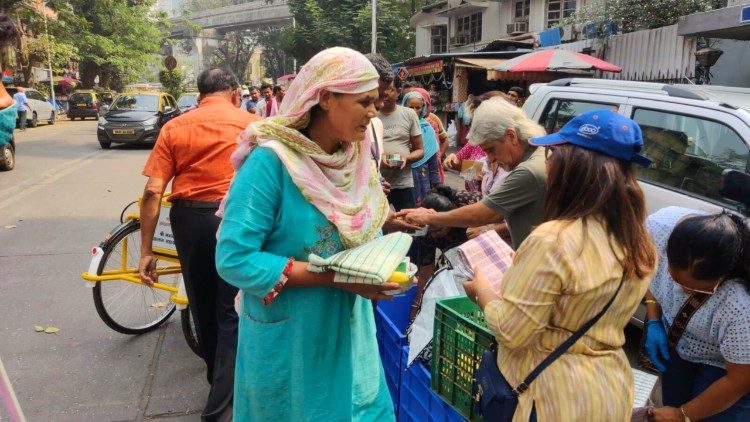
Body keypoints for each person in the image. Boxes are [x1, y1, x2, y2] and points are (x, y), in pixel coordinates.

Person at [215, 47, 400, 420]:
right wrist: (333, 276)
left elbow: (360, 230)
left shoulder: (356, 158)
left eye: (376, 101)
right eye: (364, 101)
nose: (373, 111)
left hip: (349, 331)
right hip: (290, 337)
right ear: (326, 98)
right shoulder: (271, 163)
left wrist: (381, 265)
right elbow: (234, 259)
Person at [464, 109, 657, 421]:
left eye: (553, 153)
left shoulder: (552, 240)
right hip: (608, 391)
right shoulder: (639, 241)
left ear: (574, 167)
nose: (548, 161)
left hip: (549, 395)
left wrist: (482, 290)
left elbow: (512, 332)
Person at [138, 67, 261, 421]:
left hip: (188, 221)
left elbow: (151, 191)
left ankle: (216, 384)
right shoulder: (252, 125)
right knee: (230, 310)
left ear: (200, 93)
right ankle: (220, 404)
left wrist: (146, 251)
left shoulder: (174, 127)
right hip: (236, 219)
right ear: (235, 92)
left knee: (202, 306)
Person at [643, 208, 750, 422]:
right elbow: (647, 275)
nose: (681, 293)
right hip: (679, 341)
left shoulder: (741, 306)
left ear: (722, 278)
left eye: (694, 290)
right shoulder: (657, 230)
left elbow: (739, 381)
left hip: (724, 365)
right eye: (675, 280)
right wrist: (654, 318)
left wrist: (683, 415)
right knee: (671, 402)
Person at [402, 96, 547, 249]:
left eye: (491, 150)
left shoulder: (528, 170)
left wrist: (432, 218)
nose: (490, 158)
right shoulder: (534, 155)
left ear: (511, 136)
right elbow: (472, 173)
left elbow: (483, 214)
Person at [379, 80, 424, 211]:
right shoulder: (370, 115)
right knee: (378, 225)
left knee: (406, 222)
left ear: (399, 92)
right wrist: (379, 158)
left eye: (390, 89)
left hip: (403, 182)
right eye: (382, 89)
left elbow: (420, 150)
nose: (385, 93)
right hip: (377, 183)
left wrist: (406, 159)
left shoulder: (409, 115)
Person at [402, 91, 440, 206]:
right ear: (404, 107)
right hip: (403, 177)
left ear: (422, 109)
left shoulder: (427, 129)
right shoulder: (400, 127)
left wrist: (436, 183)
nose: (414, 111)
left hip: (422, 177)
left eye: (417, 107)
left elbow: (433, 161)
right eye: (411, 107)